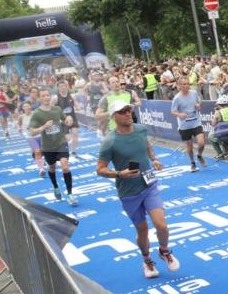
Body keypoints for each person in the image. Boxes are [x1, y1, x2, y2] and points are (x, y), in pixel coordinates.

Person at [96, 100, 178, 279]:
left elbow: (147, 146)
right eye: (122, 111)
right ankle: (147, 260)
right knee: (142, 230)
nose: (127, 113)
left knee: (161, 225)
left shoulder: (141, 129)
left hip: (149, 185)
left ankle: (164, 251)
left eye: (129, 110)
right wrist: (120, 174)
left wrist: (154, 158)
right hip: (129, 193)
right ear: (114, 116)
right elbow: (100, 169)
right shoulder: (109, 141)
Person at [28, 89, 78, 206]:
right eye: (43, 95)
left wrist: (68, 120)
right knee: (52, 168)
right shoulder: (37, 113)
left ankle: (70, 194)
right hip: (47, 146)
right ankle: (55, 186)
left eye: (47, 95)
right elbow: (32, 132)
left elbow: (65, 120)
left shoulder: (57, 109)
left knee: (65, 167)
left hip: (61, 142)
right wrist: (44, 126)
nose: (46, 97)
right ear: (40, 98)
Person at [170, 77, 207, 172]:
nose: (187, 86)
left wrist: (198, 105)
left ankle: (199, 155)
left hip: (196, 122)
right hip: (184, 125)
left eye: (188, 84)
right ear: (179, 86)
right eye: (184, 84)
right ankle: (192, 162)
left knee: (201, 143)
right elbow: (173, 111)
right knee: (189, 146)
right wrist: (180, 114)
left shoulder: (194, 93)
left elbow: (199, 102)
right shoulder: (177, 98)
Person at [55, 79, 80, 156]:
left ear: (67, 87)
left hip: (73, 118)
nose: (63, 88)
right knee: (68, 138)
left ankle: (73, 151)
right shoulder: (56, 98)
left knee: (75, 134)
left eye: (64, 86)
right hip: (63, 121)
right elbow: (51, 109)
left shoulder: (72, 96)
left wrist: (78, 106)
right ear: (58, 88)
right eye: (61, 86)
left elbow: (77, 105)